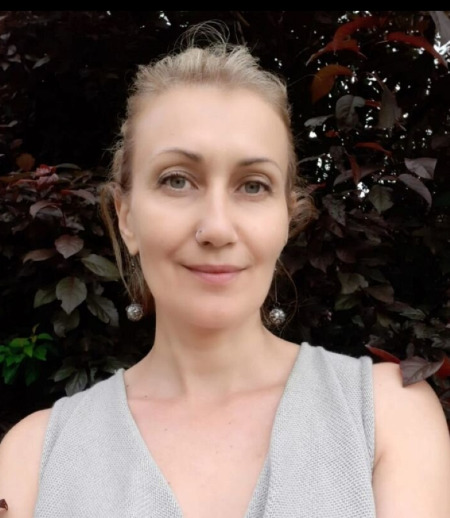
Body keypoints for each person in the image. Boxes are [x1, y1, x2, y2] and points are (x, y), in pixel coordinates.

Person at [1, 22, 450, 518]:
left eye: (253, 185)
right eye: (177, 180)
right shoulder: (29, 461)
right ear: (126, 217)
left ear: (286, 219)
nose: (216, 228)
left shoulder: (387, 418)